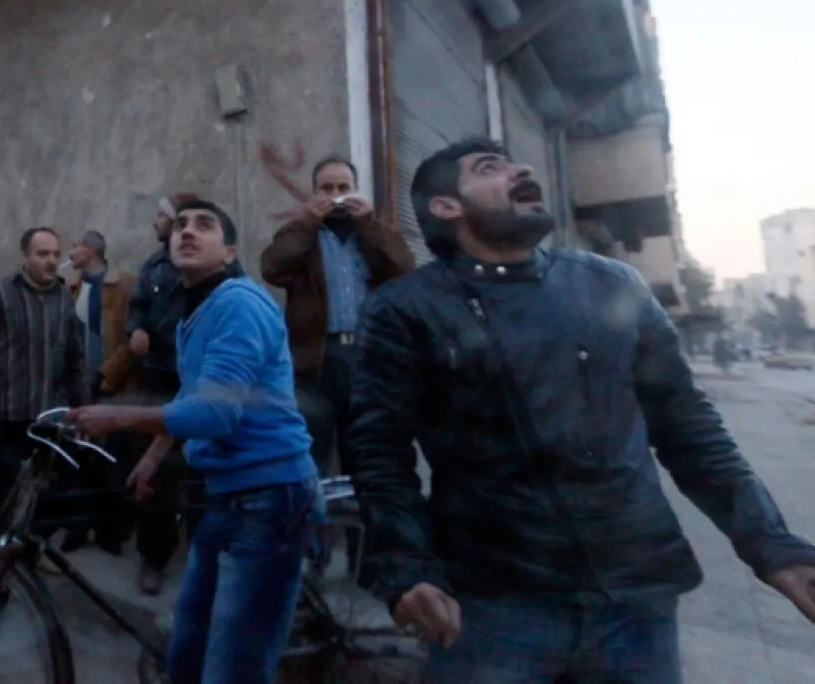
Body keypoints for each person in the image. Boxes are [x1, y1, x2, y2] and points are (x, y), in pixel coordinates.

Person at [348, 138, 815, 683]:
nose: (520, 170)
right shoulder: (406, 309)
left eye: (514, 161)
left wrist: (770, 543)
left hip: (636, 598)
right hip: (494, 606)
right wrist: (406, 570)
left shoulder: (611, 284)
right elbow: (378, 450)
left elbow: (688, 427)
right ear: (446, 207)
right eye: (489, 168)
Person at [72, 200, 320, 684]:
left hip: (270, 497)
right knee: (188, 647)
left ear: (228, 251)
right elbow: (194, 394)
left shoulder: (239, 303)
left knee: (233, 668)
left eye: (204, 226)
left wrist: (117, 416)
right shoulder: (194, 316)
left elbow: (216, 411)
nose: (187, 231)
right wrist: (152, 456)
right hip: (226, 497)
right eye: (180, 225)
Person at [260, 155, 412, 573]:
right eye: (326, 188)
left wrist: (370, 225)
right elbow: (272, 267)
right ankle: (314, 559)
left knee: (367, 460)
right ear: (314, 195)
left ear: (356, 189)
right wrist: (307, 223)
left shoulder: (373, 233)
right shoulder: (302, 235)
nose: (335, 195)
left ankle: (370, 564)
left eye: (342, 186)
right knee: (310, 463)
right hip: (315, 364)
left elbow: (404, 269)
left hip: (366, 359)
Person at [0, 227, 87, 538]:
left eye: (56, 254)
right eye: (43, 254)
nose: (51, 260)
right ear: (25, 257)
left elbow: (74, 359)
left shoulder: (63, 299)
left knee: (45, 499)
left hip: (46, 419)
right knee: (0, 500)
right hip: (3, 418)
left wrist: (82, 409)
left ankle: (25, 565)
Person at [114, 194, 209, 595]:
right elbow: (136, 310)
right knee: (154, 477)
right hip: (158, 383)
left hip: (201, 383)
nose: (157, 222)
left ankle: (204, 558)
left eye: (162, 216)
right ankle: (153, 559)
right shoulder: (153, 265)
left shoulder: (216, 267)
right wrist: (135, 330)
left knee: (202, 471)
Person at [58, 229, 134, 555]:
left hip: (112, 387)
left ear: (90, 250)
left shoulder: (125, 287)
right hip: (79, 389)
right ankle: (77, 526)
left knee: (113, 460)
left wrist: (107, 375)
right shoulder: (72, 289)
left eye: (74, 246)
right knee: (77, 459)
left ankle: (110, 530)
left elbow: (133, 338)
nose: (69, 252)